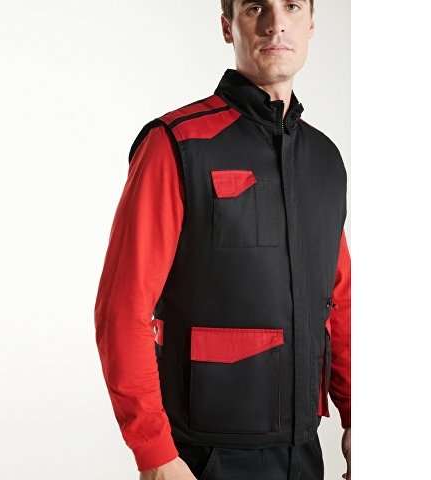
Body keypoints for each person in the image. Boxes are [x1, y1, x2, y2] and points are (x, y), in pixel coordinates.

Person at [94, 0, 351, 478]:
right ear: (227, 27)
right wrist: (155, 453)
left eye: (292, 6)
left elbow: (339, 300)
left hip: (304, 448)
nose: (276, 24)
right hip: (204, 455)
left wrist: (358, 415)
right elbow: (123, 307)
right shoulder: (177, 142)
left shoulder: (324, 158)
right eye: (255, 8)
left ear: (312, 22)